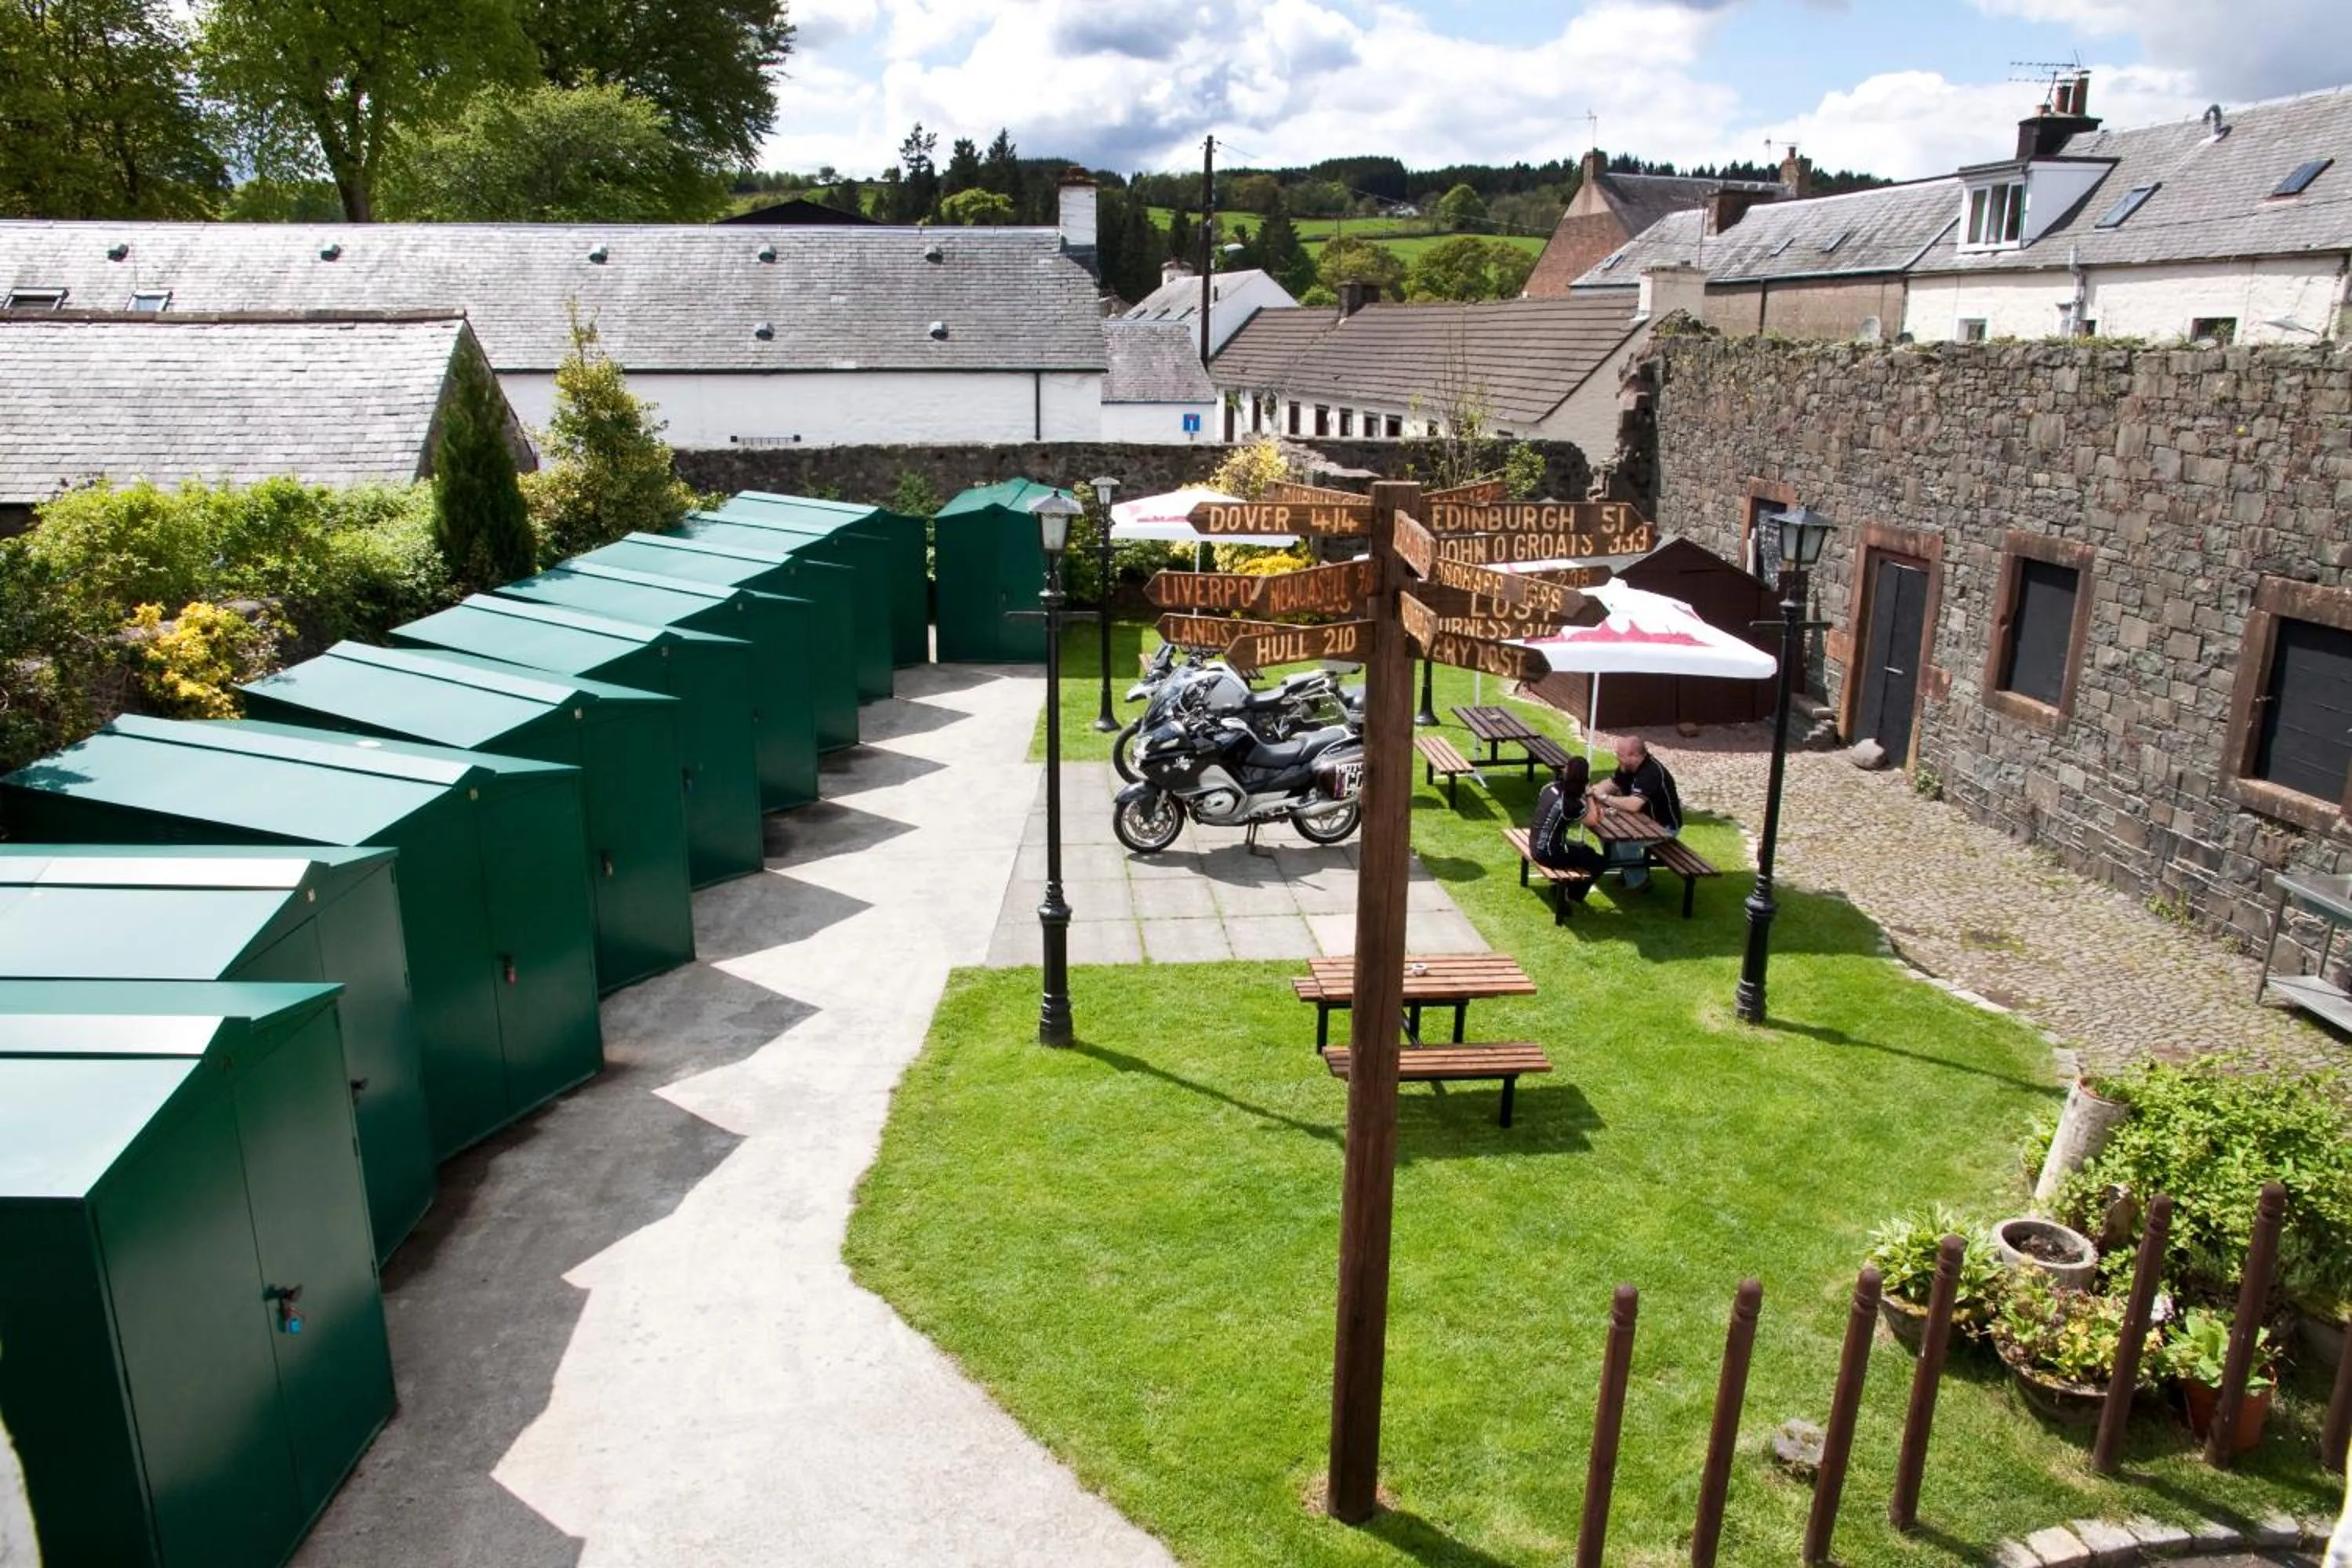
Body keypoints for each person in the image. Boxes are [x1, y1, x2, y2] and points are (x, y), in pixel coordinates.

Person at [1592, 735, 1682, 891]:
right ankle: (1626, 869)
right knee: (1605, 831)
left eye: (1620, 754)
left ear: (1634, 756)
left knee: (1624, 842)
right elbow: (1612, 783)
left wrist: (1605, 798)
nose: (1616, 757)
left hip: (1664, 827)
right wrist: (1594, 791)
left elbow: (1634, 804)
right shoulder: (1627, 767)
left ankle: (1639, 882)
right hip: (1643, 821)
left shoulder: (1651, 773)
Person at [1530, 756, 1606, 901]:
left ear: (1567, 772)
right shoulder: (1570, 804)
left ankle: (1565, 889)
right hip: (1549, 853)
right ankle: (1571, 896)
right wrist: (1589, 795)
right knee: (1599, 862)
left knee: (1585, 850)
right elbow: (1592, 821)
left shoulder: (1549, 787)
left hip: (1534, 843)